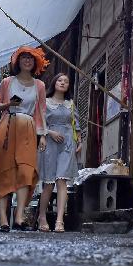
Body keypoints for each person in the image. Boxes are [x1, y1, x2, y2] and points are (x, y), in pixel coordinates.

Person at [0, 47, 48, 232]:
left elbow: (41, 111)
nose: (27, 61)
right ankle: (3, 219)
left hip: (28, 127)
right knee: (3, 172)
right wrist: (10, 104)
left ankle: (19, 217)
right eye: (24, 58)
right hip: (7, 125)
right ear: (17, 61)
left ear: (36, 63)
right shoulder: (7, 82)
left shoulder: (39, 85)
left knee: (26, 172)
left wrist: (42, 136)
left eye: (31, 59)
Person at [36, 73, 80, 233]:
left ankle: (60, 220)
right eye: (60, 80)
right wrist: (49, 133)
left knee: (62, 181)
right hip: (49, 142)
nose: (63, 83)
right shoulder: (45, 103)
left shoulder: (71, 104)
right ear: (54, 83)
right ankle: (42, 216)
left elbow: (76, 124)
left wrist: (79, 141)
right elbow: (38, 123)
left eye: (66, 81)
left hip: (67, 143)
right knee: (48, 184)